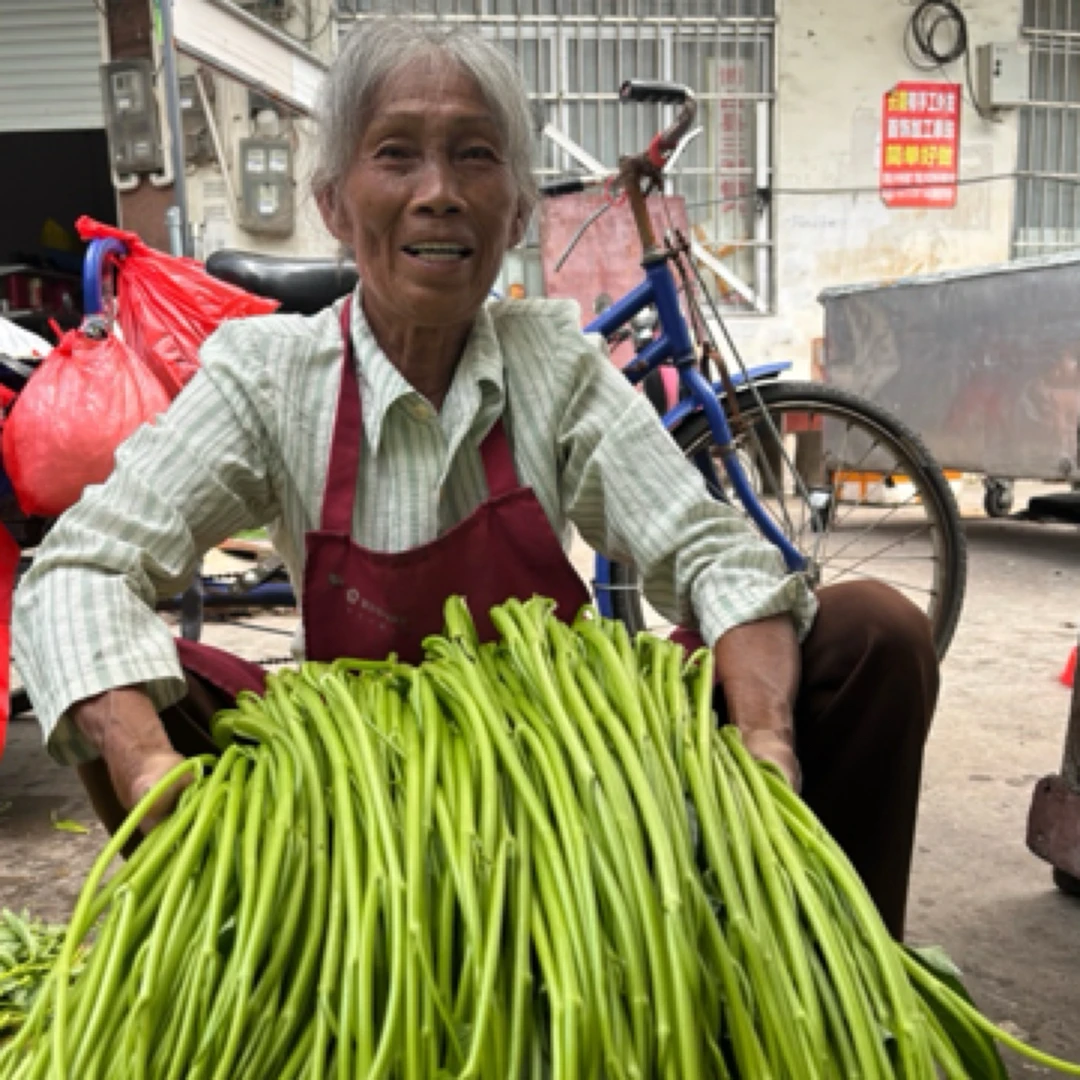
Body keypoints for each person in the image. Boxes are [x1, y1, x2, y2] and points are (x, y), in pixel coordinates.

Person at [12, 17, 937, 940]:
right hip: (355, 790)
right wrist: (141, 764)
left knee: (872, 636)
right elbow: (80, 572)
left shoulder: (554, 367)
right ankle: (269, 957)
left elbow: (709, 551)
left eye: (475, 156)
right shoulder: (269, 378)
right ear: (334, 201)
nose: (439, 194)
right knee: (128, 679)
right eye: (397, 155)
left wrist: (766, 739)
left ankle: (822, 966)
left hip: (571, 772)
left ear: (519, 211)